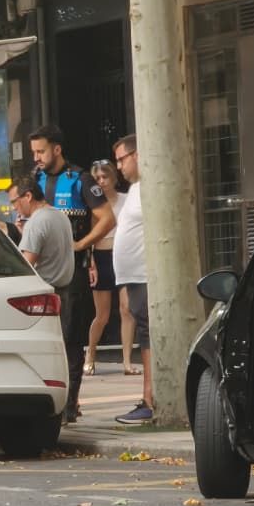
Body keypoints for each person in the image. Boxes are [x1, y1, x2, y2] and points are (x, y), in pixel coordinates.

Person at [31, 125, 113, 420]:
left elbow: (107, 218)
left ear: (57, 149)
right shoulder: (36, 179)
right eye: (34, 152)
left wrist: (81, 244)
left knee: (70, 338)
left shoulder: (80, 179)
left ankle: (69, 406)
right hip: (40, 275)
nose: (37, 157)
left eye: (41, 151)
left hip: (72, 273)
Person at [110, 134, 152, 424]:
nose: (119, 167)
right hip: (132, 277)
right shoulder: (134, 189)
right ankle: (148, 398)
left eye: (121, 159)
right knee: (143, 333)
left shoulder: (150, 187)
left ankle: (150, 399)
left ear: (137, 155)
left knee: (148, 335)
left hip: (146, 274)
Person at [83, 159, 124, 375]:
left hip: (123, 254)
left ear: (113, 177)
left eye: (105, 177)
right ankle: (90, 352)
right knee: (103, 315)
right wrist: (91, 263)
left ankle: (127, 361)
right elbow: (90, 236)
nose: (101, 181)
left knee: (127, 309)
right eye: (97, 178)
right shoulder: (93, 204)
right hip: (101, 255)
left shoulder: (125, 200)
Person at [9, 178, 74, 292]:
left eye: (14, 201)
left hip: (45, 292)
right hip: (65, 289)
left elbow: (26, 266)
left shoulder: (35, 222)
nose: (14, 208)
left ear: (28, 196)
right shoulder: (61, 215)